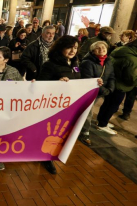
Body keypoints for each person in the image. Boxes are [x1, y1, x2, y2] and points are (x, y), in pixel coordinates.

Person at [37, 35, 82, 175]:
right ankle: (46, 157)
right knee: (49, 132)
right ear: (60, 48)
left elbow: (79, 80)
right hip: (53, 107)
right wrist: (58, 83)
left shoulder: (75, 64)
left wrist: (93, 83)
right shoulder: (50, 65)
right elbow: (40, 85)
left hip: (69, 105)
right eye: (69, 47)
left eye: (75, 48)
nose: (72, 51)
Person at [96, 39, 137, 129]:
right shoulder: (133, 59)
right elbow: (131, 78)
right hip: (119, 86)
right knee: (113, 106)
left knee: (107, 103)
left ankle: (100, 121)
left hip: (110, 82)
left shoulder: (122, 50)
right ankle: (103, 124)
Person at [79, 41, 115, 143]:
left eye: (103, 47)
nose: (101, 49)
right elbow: (89, 79)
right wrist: (104, 90)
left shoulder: (108, 61)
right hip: (89, 92)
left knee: (85, 112)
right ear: (93, 51)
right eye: (98, 48)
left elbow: (111, 75)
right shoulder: (87, 62)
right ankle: (84, 133)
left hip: (100, 91)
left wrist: (110, 88)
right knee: (88, 113)